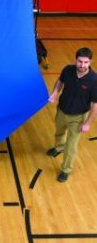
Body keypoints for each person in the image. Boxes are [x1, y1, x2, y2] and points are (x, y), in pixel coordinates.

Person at [48, 47, 97, 182]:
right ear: (75, 60)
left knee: (71, 145)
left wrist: (87, 124)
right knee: (59, 132)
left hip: (78, 118)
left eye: (86, 62)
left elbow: (95, 106)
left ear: (90, 62)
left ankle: (66, 169)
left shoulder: (94, 80)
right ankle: (58, 147)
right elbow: (60, 82)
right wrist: (55, 93)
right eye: (80, 61)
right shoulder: (68, 70)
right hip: (62, 110)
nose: (82, 65)